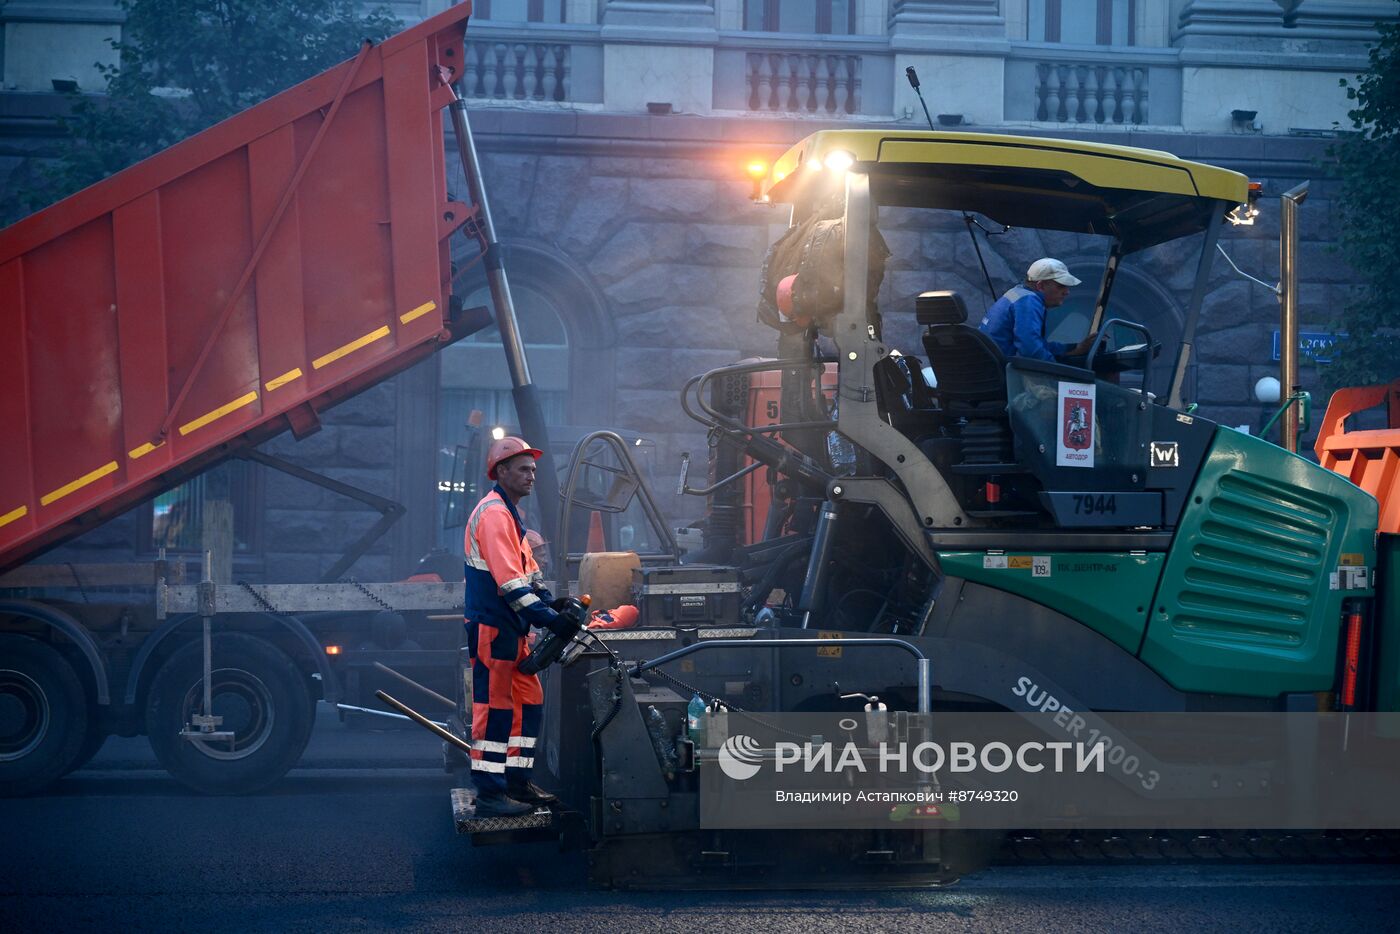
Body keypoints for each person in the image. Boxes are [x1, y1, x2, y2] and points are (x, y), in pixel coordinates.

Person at [462, 435, 571, 816]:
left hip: (512, 630)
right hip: (494, 627)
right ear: (501, 471)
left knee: (528, 702)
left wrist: (550, 604)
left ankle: (517, 784)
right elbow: (510, 586)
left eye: (534, 470)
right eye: (523, 469)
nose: (531, 475)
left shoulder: (510, 515)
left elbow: (528, 577)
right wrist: (553, 620)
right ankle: (491, 795)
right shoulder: (494, 515)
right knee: (493, 711)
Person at [979, 258, 1096, 363]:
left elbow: (1038, 345)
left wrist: (1074, 348)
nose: (1067, 292)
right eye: (1061, 286)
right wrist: (1057, 374)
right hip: (999, 374)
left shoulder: (1018, 293)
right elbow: (1031, 350)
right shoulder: (1029, 301)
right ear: (1040, 286)